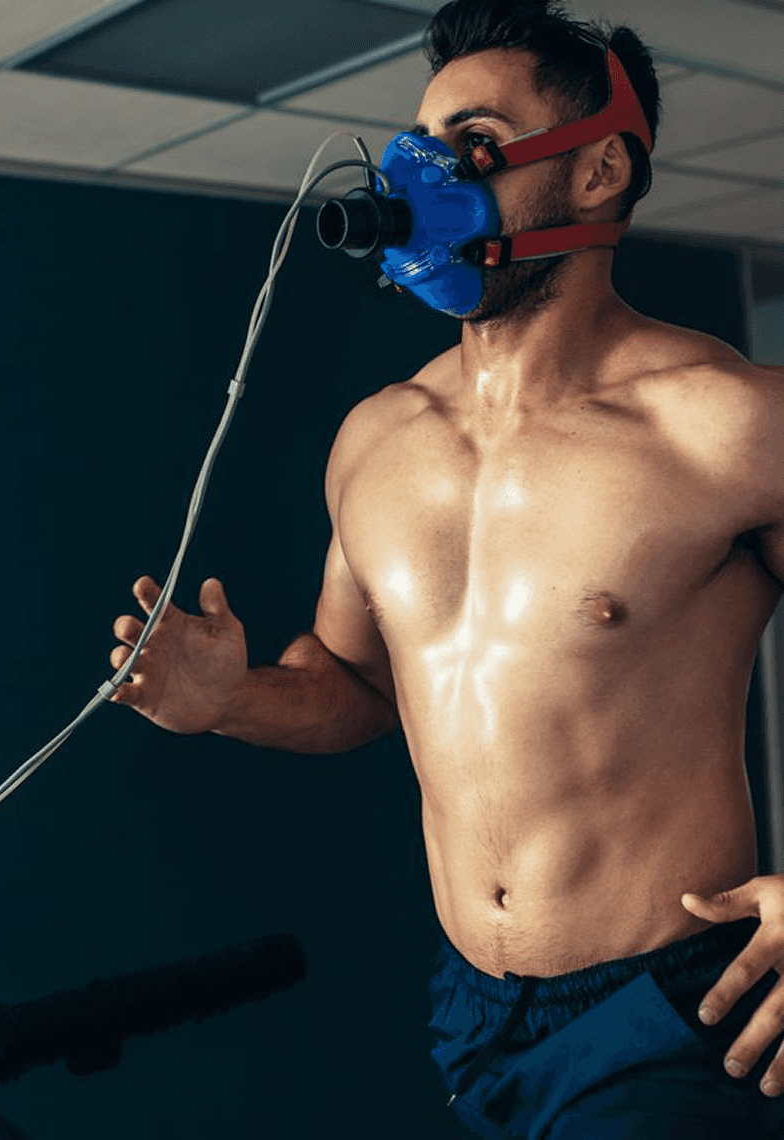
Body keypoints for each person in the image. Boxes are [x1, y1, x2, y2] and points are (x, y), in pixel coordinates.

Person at [110, 0, 784, 1134]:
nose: (423, 170)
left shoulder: (726, 424)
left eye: (471, 140)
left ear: (599, 169)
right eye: (416, 137)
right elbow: (358, 686)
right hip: (473, 1013)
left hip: (674, 1002)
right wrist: (230, 703)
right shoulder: (378, 438)